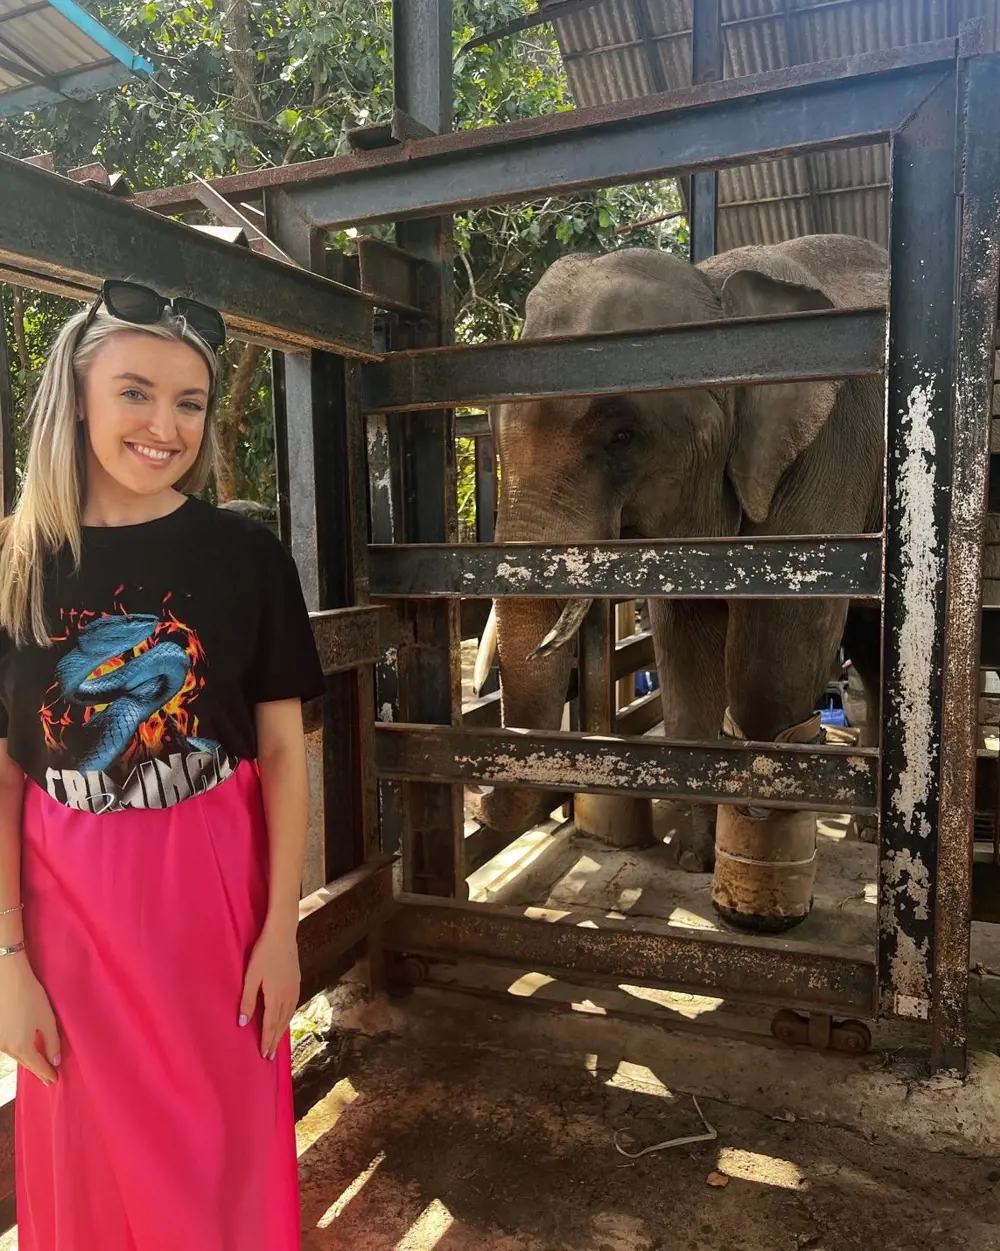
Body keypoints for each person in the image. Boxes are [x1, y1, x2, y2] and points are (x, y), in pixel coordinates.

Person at [0, 280, 325, 1250]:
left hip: (213, 887)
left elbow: (279, 754)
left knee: (216, 1148)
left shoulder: (246, 555)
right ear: (81, 396)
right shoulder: (17, 564)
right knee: (87, 1150)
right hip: (66, 901)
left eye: (189, 402)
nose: (164, 425)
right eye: (136, 392)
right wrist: (9, 963)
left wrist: (282, 930)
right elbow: (7, 775)